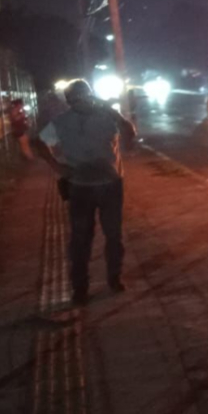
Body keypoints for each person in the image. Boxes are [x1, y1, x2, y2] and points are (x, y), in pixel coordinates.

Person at [32, 79, 137, 303]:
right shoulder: (62, 121)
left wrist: (112, 111)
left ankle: (112, 278)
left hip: (109, 185)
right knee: (83, 239)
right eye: (75, 98)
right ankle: (82, 287)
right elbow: (39, 143)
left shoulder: (107, 116)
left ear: (90, 96)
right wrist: (57, 166)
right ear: (69, 101)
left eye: (83, 96)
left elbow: (130, 135)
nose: (80, 101)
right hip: (83, 187)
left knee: (111, 235)